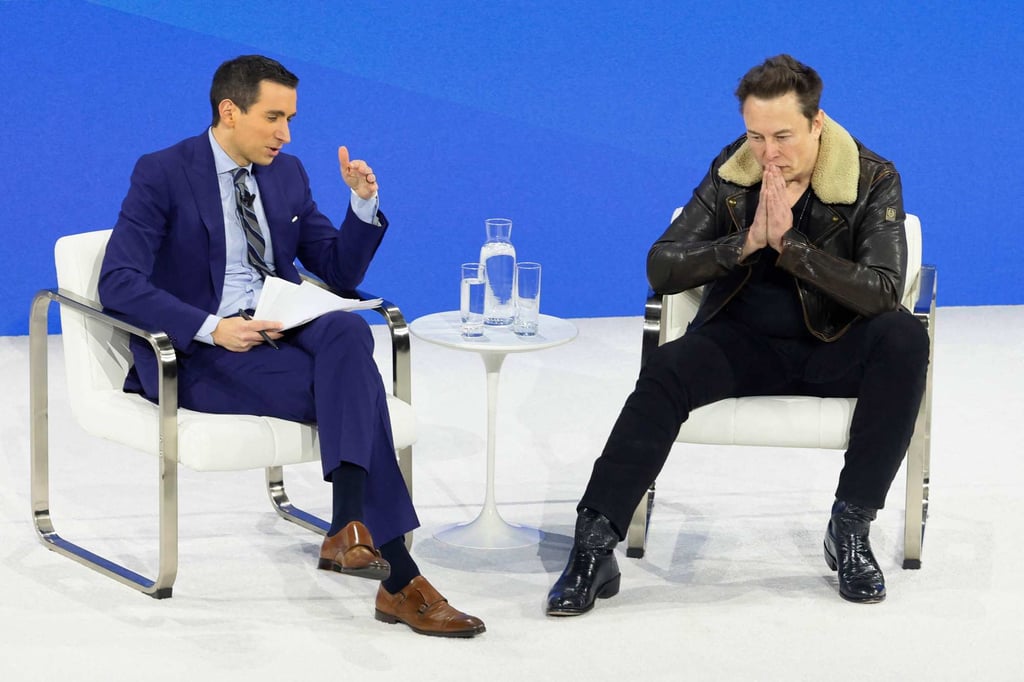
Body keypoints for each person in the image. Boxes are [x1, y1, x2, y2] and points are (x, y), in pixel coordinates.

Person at [99, 54, 485, 638]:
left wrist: (362, 204)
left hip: (280, 325)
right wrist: (211, 326)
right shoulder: (163, 172)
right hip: (202, 351)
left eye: (291, 119)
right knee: (356, 390)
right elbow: (119, 281)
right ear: (229, 112)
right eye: (273, 117)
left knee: (351, 328)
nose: (286, 133)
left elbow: (336, 268)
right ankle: (398, 575)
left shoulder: (288, 173)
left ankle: (350, 525)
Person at [546, 54, 929, 615]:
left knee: (904, 337)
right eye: (755, 136)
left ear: (816, 124)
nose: (768, 154)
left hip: (835, 346)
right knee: (665, 369)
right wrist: (745, 243)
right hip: (742, 343)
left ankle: (850, 526)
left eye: (782, 136)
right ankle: (595, 543)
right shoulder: (732, 170)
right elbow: (662, 265)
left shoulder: (872, 177)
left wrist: (791, 248)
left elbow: (882, 290)